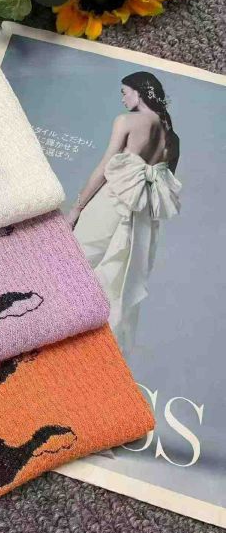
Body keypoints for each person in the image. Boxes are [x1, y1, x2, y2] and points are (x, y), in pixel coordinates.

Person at [68, 72, 182, 353]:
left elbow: (104, 168)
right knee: (118, 282)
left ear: (139, 92)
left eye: (124, 91)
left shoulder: (127, 121)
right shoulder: (173, 138)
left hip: (112, 202)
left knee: (76, 263)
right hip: (142, 217)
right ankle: (93, 350)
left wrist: (77, 208)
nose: (122, 98)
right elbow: (163, 186)